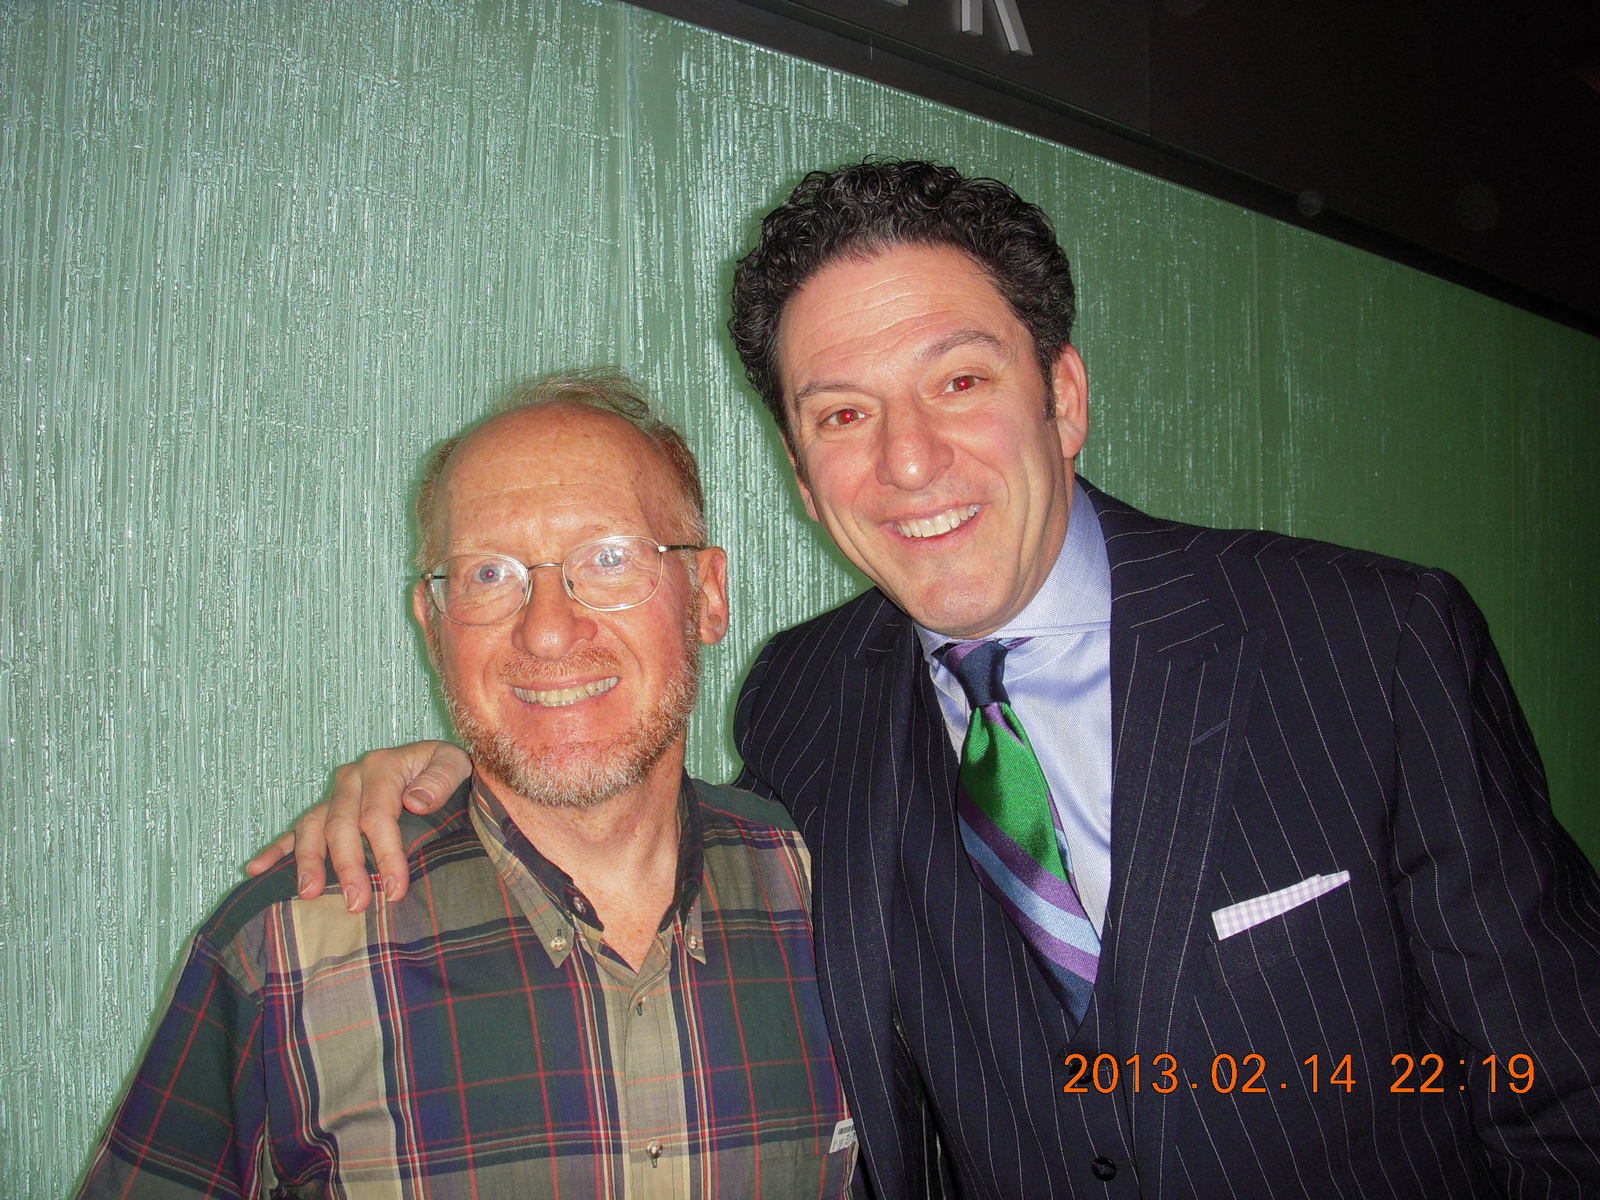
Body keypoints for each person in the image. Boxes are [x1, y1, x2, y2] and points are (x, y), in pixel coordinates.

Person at [256, 164, 1600, 1198]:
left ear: (1062, 397)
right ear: (801, 476)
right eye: (842, 413)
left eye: (959, 380)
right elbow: (668, 839)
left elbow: (1564, 1093)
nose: (907, 462)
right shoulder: (802, 699)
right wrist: (466, 780)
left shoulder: (1368, 641)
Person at [81, 371, 857, 1197]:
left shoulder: (839, 896)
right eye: (489, 574)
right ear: (434, 627)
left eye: (608, 558)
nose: (547, 630)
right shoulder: (281, 952)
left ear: (706, 595)